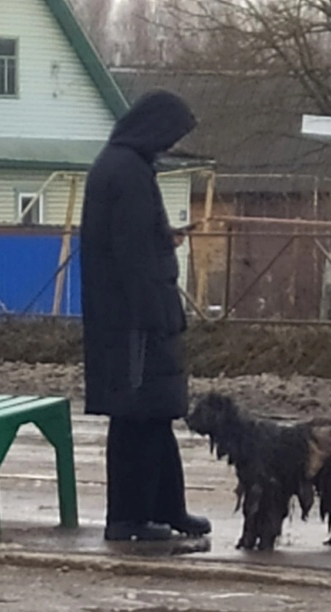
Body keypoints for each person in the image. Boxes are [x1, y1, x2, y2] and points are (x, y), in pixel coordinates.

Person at [80, 90, 212, 542]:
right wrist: (158, 317)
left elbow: (131, 241)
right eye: (171, 135)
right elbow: (131, 256)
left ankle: (164, 509)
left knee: (152, 418)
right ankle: (130, 519)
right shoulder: (129, 175)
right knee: (139, 420)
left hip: (127, 318)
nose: (172, 145)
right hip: (137, 322)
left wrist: (162, 236)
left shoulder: (119, 167)